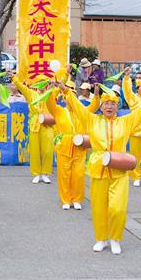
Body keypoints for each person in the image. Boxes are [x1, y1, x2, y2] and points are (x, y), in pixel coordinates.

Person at [58, 67, 141, 254]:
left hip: (119, 169)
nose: (109, 107)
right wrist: (65, 90)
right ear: (101, 106)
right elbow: (77, 107)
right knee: (99, 207)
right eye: (106, 104)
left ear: (117, 107)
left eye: (113, 104)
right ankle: (101, 238)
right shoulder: (92, 120)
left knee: (117, 208)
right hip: (98, 168)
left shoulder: (125, 122)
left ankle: (115, 238)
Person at [46, 81, 100, 210]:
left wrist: (96, 95)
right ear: (64, 99)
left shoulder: (83, 111)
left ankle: (77, 199)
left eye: (73, 97)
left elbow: (94, 106)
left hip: (79, 147)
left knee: (78, 175)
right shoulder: (59, 111)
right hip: (64, 146)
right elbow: (49, 103)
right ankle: (65, 199)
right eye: (68, 98)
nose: (70, 100)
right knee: (64, 175)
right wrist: (53, 89)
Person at [11, 72, 54, 184]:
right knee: (35, 150)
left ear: (47, 84)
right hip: (35, 124)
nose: (42, 85)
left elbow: (61, 85)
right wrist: (14, 77)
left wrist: (64, 76)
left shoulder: (51, 93)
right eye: (39, 82)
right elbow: (21, 86)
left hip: (47, 124)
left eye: (44, 82)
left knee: (48, 150)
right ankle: (36, 173)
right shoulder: (30, 93)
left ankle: (45, 173)